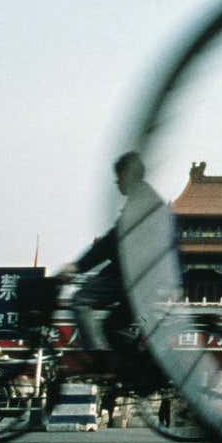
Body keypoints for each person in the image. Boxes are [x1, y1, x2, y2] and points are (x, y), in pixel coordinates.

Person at [59, 152, 148, 354]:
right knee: (112, 328)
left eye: (119, 176)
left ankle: (97, 354)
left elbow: (111, 243)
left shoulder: (137, 206)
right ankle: (130, 371)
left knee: (80, 300)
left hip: (130, 276)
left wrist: (76, 267)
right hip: (146, 279)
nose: (117, 182)